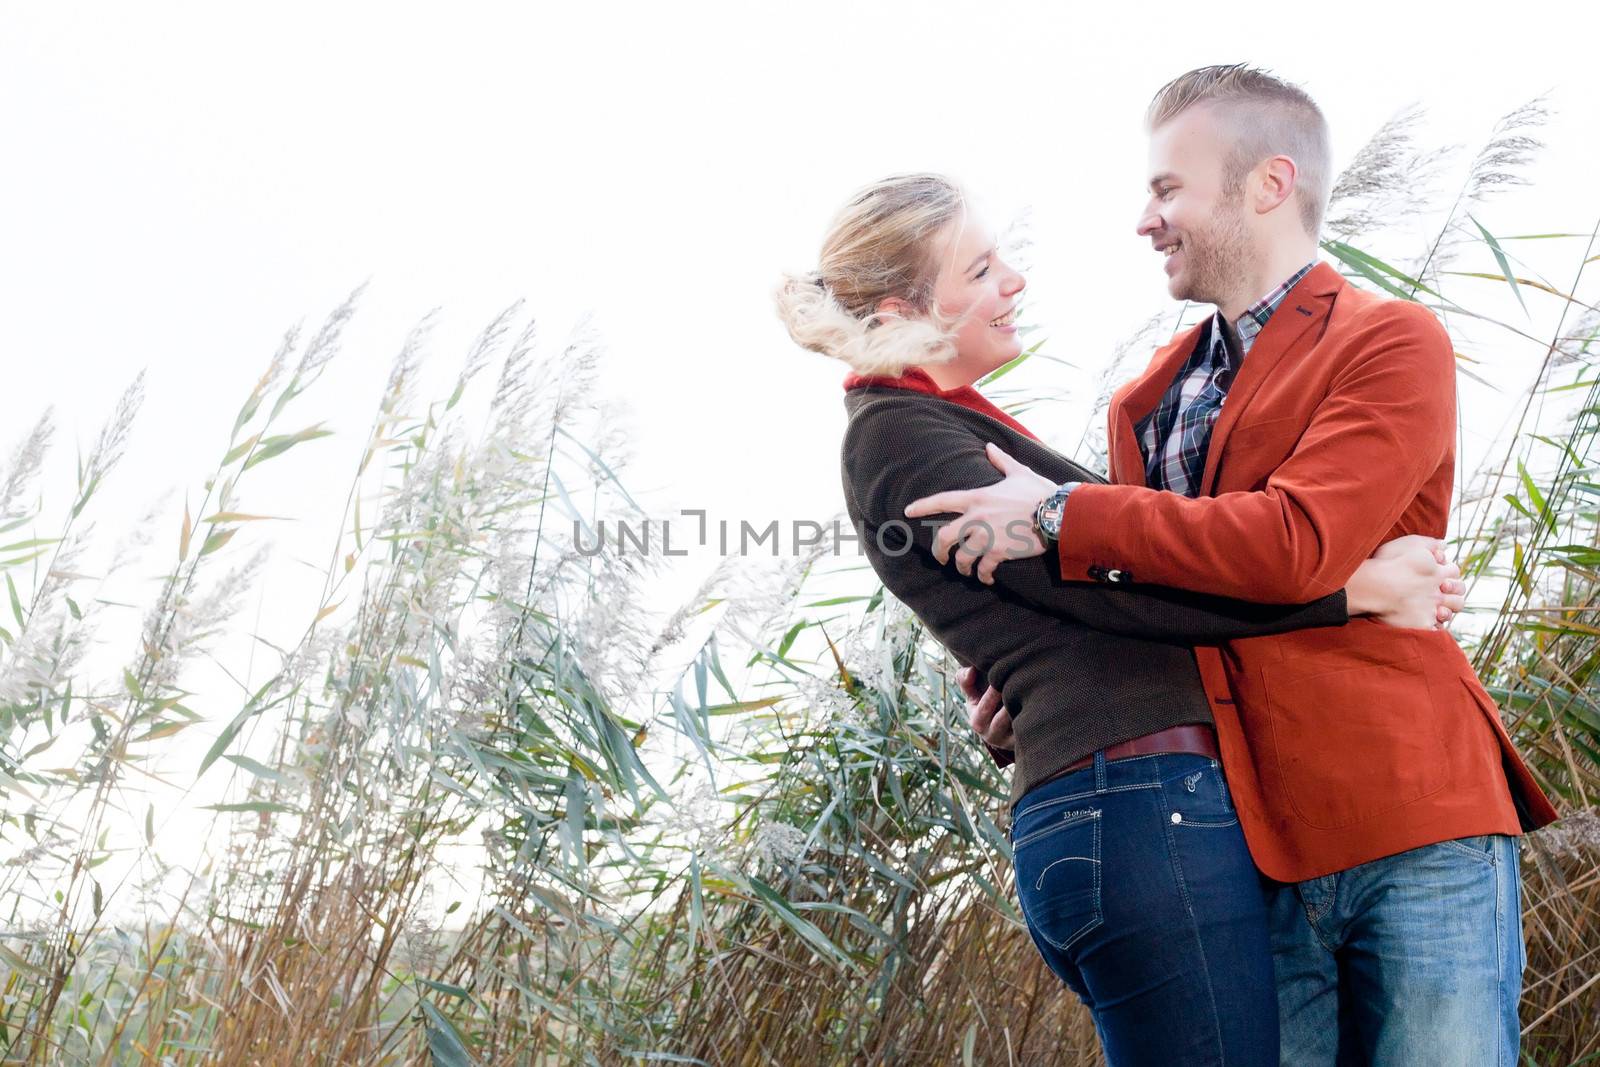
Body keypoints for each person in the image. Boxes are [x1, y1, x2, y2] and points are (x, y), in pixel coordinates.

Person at [904, 66, 1561, 1065]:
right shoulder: (1143, 400)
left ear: (1266, 183)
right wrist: (1039, 689)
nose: (1144, 219)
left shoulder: (1390, 340)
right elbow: (1152, 600)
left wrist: (1059, 512)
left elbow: (1294, 542)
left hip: (1409, 815)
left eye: (1167, 188)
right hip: (1240, 838)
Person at [775, 172, 1465, 1067]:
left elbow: (1089, 588)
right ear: (908, 307)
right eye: (981, 270)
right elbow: (1121, 587)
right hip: (1133, 810)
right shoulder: (899, 436)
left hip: (1127, 811)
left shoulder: (933, 424)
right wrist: (1356, 591)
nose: (1013, 281)